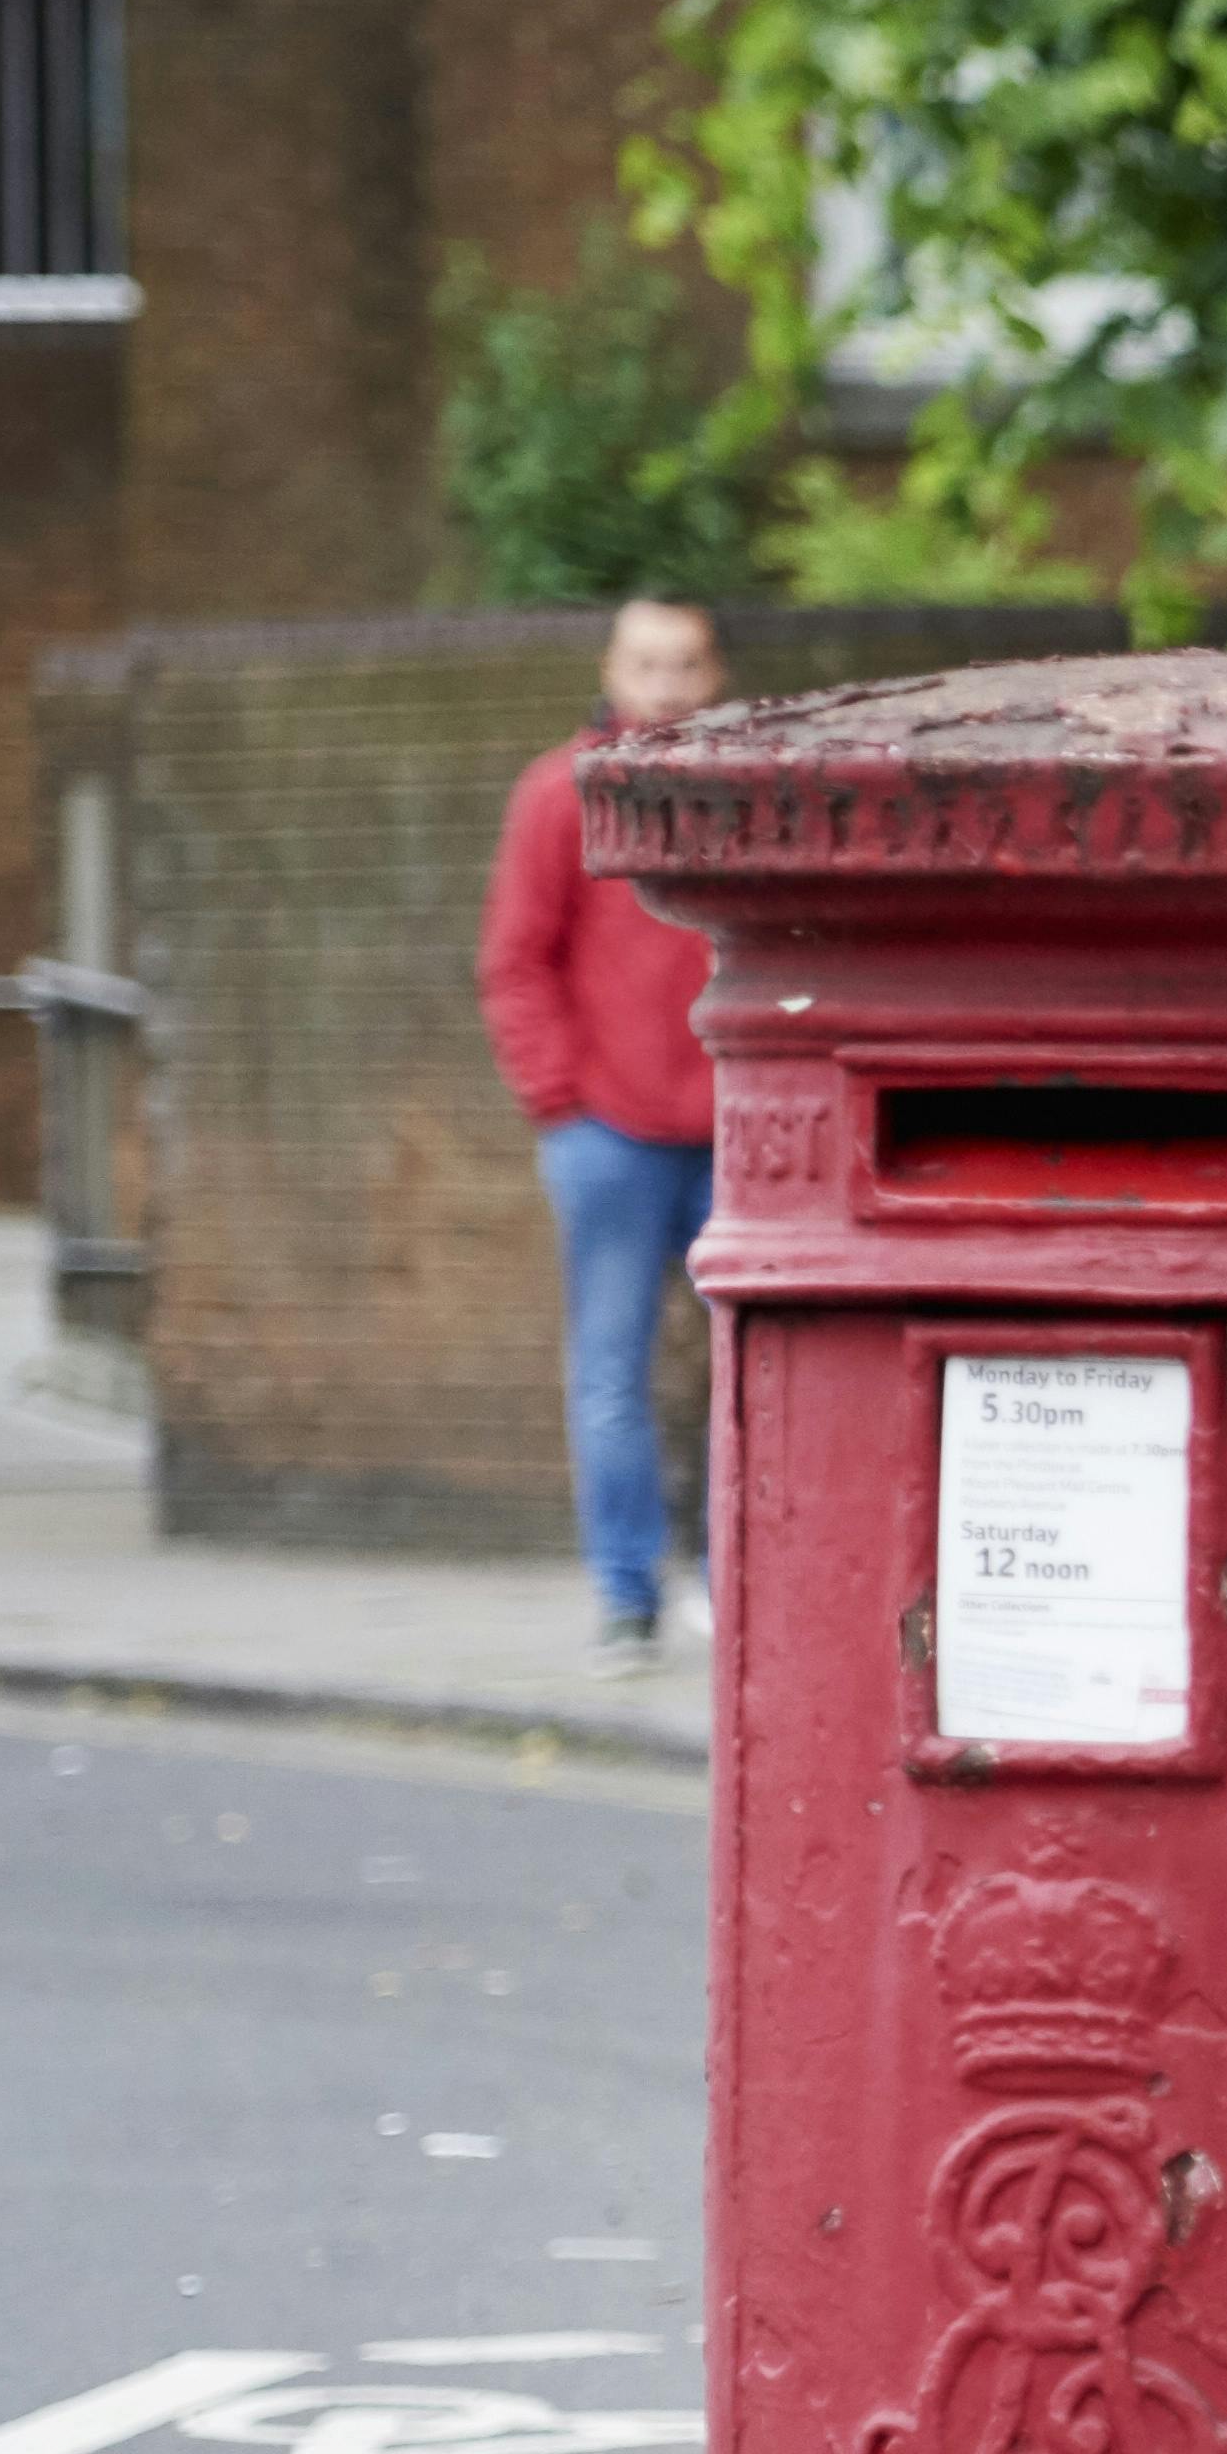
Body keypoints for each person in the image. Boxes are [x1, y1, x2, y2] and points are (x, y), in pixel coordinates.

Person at [476, 595, 731, 1670]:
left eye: (684, 664)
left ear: (714, 675)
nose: (665, 685)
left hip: (735, 1136)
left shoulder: (744, 792)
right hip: (609, 1139)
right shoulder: (560, 794)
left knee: (756, 1367)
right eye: (646, 663)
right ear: (611, 669)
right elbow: (515, 960)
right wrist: (560, 1103)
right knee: (611, 1372)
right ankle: (627, 1597)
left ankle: (737, 1587)